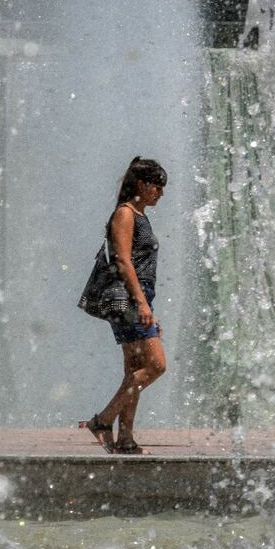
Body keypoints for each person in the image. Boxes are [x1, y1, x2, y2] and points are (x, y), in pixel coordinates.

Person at [80, 157, 168, 454]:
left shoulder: (139, 215)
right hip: (128, 300)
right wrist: (143, 306)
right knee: (156, 365)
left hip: (137, 298)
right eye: (157, 185)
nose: (161, 192)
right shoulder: (125, 214)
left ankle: (126, 439)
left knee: (136, 368)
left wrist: (148, 307)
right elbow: (123, 260)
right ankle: (103, 420)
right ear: (142, 184)